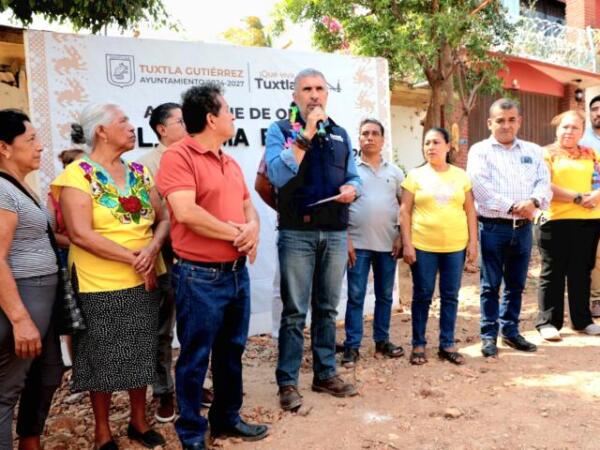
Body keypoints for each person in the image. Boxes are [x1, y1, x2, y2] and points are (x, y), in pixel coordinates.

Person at [156, 83, 268, 450]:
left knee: (231, 351)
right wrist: (237, 234)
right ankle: (191, 434)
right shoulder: (179, 156)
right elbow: (185, 213)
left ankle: (226, 420)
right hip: (199, 276)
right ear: (210, 118)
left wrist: (252, 229)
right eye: (229, 110)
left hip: (236, 274)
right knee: (194, 357)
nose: (233, 116)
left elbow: (248, 205)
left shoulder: (229, 160)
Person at [51, 103, 169, 450]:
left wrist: (152, 250)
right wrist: (135, 257)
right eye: (123, 121)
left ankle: (138, 421)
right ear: (101, 131)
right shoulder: (76, 175)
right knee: (99, 357)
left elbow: (162, 219)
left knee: (141, 351)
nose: (132, 127)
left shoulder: (139, 172)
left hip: (144, 278)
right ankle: (103, 431)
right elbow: (80, 233)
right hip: (97, 282)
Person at [265, 68, 361, 411]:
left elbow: (352, 175)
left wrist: (354, 189)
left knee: (326, 308)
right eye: (307, 89)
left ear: (327, 94)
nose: (314, 94)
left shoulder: (340, 133)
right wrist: (305, 134)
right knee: (294, 312)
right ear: (295, 96)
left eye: (320, 88)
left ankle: (325, 373)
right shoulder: (280, 131)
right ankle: (288, 383)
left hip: (334, 233)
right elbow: (275, 174)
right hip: (297, 235)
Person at [467, 98, 551, 358]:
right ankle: (488, 336)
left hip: (524, 228)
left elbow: (544, 182)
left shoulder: (534, 150)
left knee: (516, 284)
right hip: (493, 228)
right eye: (500, 121)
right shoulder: (479, 151)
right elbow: (481, 189)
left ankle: (510, 332)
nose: (506, 125)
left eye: (511, 119)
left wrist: (534, 202)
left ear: (519, 121)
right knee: (490, 285)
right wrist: (517, 205)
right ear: (490, 123)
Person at [0, 109, 64, 450]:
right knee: (7, 389)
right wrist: (20, 318)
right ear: (4, 148)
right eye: (31, 140)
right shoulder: (1, 191)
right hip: (23, 299)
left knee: (49, 372)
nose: (40, 147)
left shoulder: (18, 186)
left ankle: (29, 439)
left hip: (42, 299)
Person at [399, 127, 477, 365]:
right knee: (422, 295)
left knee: (450, 296)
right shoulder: (414, 176)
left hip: (455, 246)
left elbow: (470, 210)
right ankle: (419, 344)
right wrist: (407, 245)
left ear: (447, 146)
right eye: (426, 143)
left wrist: (473, 243)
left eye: (435, 142)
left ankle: (447, 343)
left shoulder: (461, 176)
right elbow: (404, 212)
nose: (430, 147)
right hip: (423, 245)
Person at [138, 102, 193, 423]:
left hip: (199, 258)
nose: (188, 125)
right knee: (162, 329)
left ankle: (192, 386)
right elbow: (150, 218)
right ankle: (163, 393)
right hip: (165, 257)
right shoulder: (145, 166)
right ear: (161, 128)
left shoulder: (196, 157)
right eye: (180, 121)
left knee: (196, 326)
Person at [341, 118, 404, 368]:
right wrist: (345, 239)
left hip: (388, 244)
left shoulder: (395, 172)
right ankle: (352, 346)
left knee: (385, 296)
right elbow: (341, 208)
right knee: (355, 296)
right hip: (357, 245)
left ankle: (382, 341)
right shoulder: (350, 170)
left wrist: (400, 235)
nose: (369, 137)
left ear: (382, 139)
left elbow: (405, 207)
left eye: (374, 133)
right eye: (364, 133)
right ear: (359, 138)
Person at [536, 110, 600, 340]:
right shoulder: (545, 153)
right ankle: (548, 322)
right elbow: (545, 184)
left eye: (575, 128)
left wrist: (596, 195)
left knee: (581, 271)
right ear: (557, 128)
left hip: (589, 220)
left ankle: (582, 320)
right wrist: (578, 197)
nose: (569, 131)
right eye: (565, 127)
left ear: (582, 132)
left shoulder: (591, 154)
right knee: (553, 271)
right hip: (554, 219)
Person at [579, 95, 600, 318]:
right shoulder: (582, 142)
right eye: (594, 109)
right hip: (590, 206)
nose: (598, 113)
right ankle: (596, 299)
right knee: (595, 256)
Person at [47, 149, 84, 267]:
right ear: (69, 168)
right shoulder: (54, 195)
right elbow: (50, 233)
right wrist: (83, 245)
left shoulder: (98, 193)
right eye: (82, 164)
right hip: (67, 254)